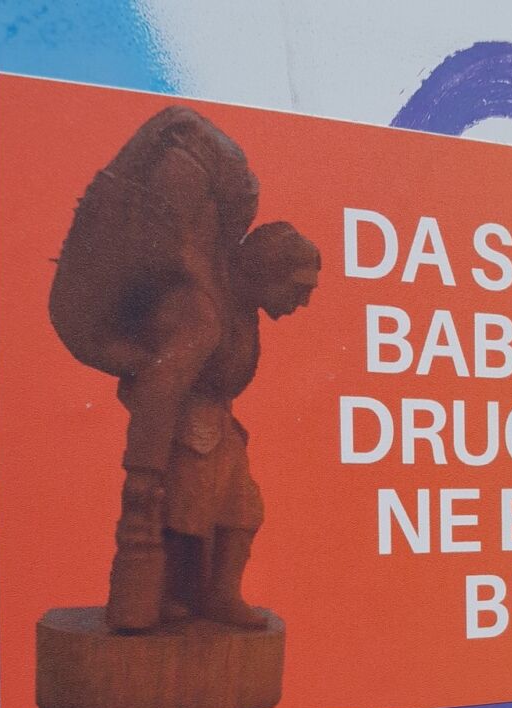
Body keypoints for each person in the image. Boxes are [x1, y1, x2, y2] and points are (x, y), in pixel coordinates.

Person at [48, 106, 319, 632]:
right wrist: (143, 473)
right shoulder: (202, 312)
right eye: (299, 288)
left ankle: (218, 595)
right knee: (182, 517)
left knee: (238, 513)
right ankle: (168, 598)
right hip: (182, 431)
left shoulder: (237, 306)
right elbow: (160, 385)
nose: (302, 302)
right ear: (269, 271)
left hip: (217, 429)